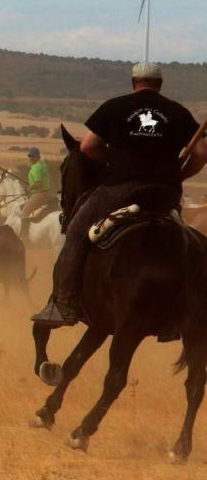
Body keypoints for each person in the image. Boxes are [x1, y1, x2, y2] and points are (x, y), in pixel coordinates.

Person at [32, 62, 207, 327]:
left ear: (134, 81)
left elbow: (88, 146)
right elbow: (202, 153)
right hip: (165, 193)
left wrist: (112, 162)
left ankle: (64, 304)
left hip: (122, 188)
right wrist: (178, 177)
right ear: (160, 84)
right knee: (186, 236)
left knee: (77, 228)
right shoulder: (177, 112)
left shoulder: (115, 107)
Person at [19, 147, 53, 239]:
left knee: (24, 213)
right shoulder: (42, 165)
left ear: (38, 156)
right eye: (29, 156)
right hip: (49, 193)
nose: (30, 158)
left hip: (40, 194)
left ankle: (24, 236)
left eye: (33, 156)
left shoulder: (36, 168)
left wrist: (29, 188)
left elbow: (38, 183)